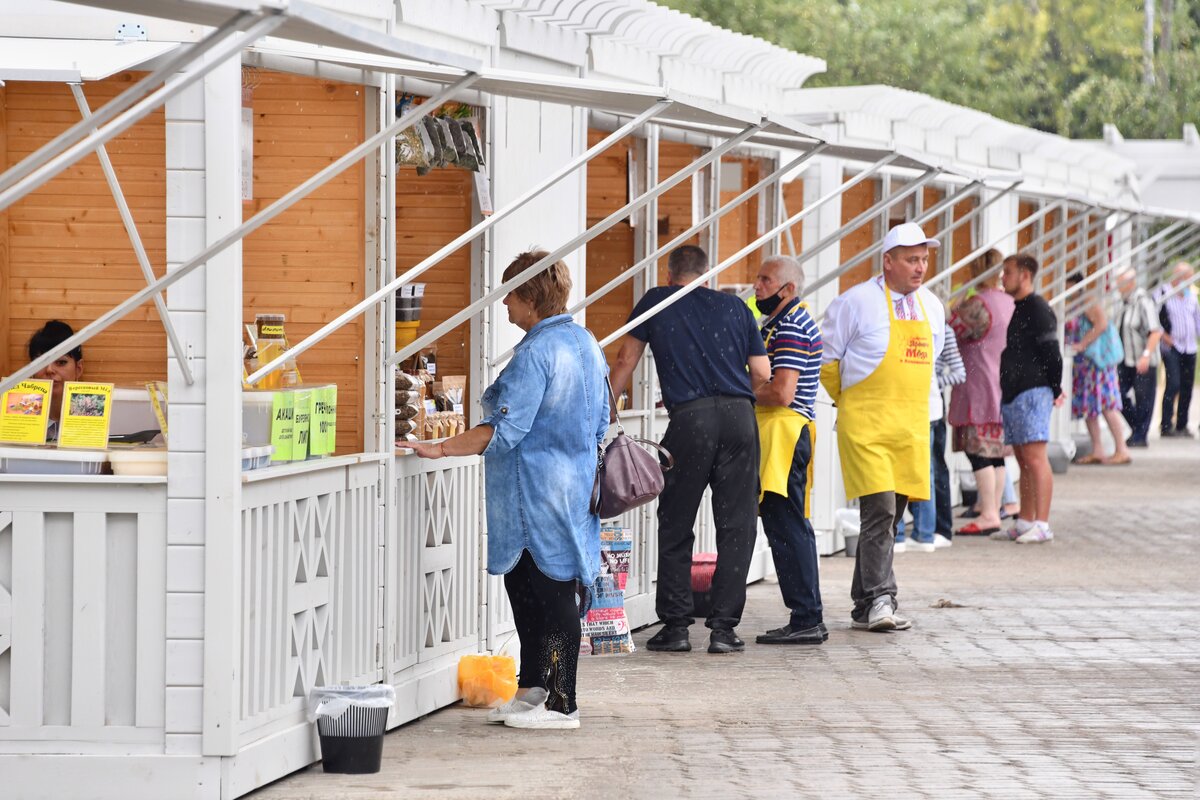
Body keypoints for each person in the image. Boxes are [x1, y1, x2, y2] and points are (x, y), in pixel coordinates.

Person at [402, 250, 608, 730]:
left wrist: (443, 448)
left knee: (551, 593)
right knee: (529, 587)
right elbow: (600, 420)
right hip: (570, 488)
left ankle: (562, 703)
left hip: (535, 494)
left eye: (509, 296)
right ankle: (533, 688)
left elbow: (505, 429)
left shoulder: (537, 352)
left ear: (530, 298)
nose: (504, 306)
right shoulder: (584, 342)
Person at [609, 245, 769, 655]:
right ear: (707, 275)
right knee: (737, 525)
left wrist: (605, 408)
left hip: (690, 421)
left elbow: (627, 358)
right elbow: (763, 373)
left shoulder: (657, 301)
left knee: (677, 520)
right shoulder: (736, 308)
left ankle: (676, 626)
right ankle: (724, 629)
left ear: (669, 274)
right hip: (740, 420)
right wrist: (732, 401)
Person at [821, 222, 944, 632]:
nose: (920, 267)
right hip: (867, 425)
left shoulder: (932, 306)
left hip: (910, 425)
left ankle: (863, 605)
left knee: (892, 520)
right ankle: (881, 600)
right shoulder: (855, 302)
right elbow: (827, 360)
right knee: (880, 512)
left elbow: (934, 359)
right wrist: (851, 402)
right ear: (887, 261)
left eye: (924, 259)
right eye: (912, 259)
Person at [751, 255, 826, 645]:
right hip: (780, 434)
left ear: (788, 289)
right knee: (786, 523)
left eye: (765, 280)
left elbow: (782, 393)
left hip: (786, 433)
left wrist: (740, 391)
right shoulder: (779, 322)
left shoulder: (793, 326)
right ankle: (805, 614)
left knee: (787, 524)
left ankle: (807, 616)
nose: (757, 286)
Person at [948, 250, 1015, 536]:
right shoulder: (1010, 302)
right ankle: (995, 507)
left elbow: (950, 328)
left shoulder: (977, 306)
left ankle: (988, 512)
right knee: (996, 454)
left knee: (979, 454)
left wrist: (957, 300)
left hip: (978, 387)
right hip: (1002, 384)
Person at [997, 252, 1063, 544]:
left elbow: (1052, 351)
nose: (1003, 277)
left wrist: (1055, 387)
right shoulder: (1020, 307)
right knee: (1023, 458)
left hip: (1033, 390)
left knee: (1036, 457)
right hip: (1015, 391)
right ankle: (1025, 520)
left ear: (1025, 275)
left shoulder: (1038, 308)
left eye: (1007, 272)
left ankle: (1043, 523)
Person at [897, 320, 965, 552]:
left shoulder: (937, 329)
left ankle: (926, 531)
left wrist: (934, 383)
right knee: (927, 470)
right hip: (927, 405)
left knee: (921, 470)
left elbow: (959, 372)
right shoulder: (926, 328)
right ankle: (927, 532)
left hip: (922, 406)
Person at [1063, 273, 1129, 465]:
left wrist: (1082, 344)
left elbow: (1101, 324)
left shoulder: (1087, 301)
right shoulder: (1074, 303)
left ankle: (1121, 448)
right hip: (1085, 366)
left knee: (1108, 405)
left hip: (1097, 364)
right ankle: (1097, 449)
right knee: (1090, 408)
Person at [1116, 267, 1163, 448]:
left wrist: (1145, 355)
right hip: (1126, 359)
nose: (1118, 287)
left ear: (1131, 283)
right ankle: (1137, 428)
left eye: (1121, 283)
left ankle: (1140, 435)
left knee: (1144, 397)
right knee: (1118, 394)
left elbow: (1155, 331)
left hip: (1143, 359)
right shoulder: (1124, 302)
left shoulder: (1143, 301)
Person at [1157, 262, 1199, 437]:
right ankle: (1166, 425)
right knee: (1173, 383)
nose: (1188, 281)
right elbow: (1153, 317)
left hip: (1190, 347)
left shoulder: (1192, 296)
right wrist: (1163, 335)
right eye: (1186, 277)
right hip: (1171, 347)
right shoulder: (1163, 293)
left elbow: (1197, 320)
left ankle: (1182, 425)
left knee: (1187, 387)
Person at [27, 320, 85, 440]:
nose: (49, 370)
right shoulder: (11, 420)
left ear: (78, 369)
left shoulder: (97, 422)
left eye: (61, 362)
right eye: (41, 363)